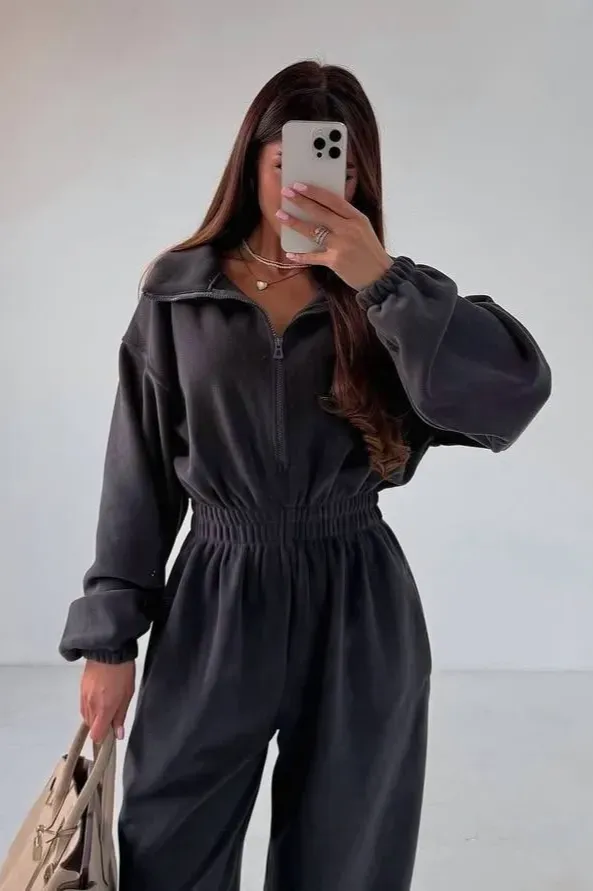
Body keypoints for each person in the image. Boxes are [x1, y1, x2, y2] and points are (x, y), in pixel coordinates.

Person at [58, 60, 551, 891]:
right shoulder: (179, 295)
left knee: (346, 856)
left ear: (362, 177)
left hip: (357, 601)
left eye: (339, 167)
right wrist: (109, 638)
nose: (314, 183)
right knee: (167, 843)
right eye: (288, 161)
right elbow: (136, 476)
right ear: (251, 161)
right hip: (216, 597)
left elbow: (513, 393)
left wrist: (380, 281)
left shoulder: (390, 300)